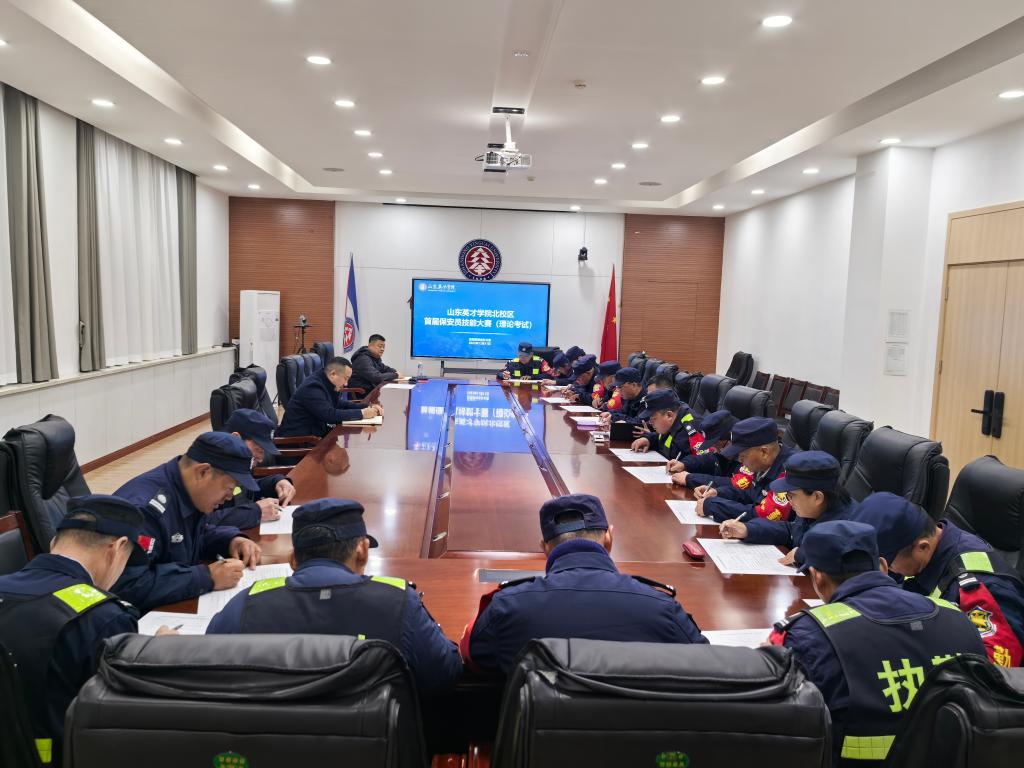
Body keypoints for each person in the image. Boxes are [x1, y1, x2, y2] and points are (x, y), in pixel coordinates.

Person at [768, 520, 985, 766]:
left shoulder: (807, 636)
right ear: (882, 566)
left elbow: (778, 729)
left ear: (817, 577)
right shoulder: (958, 617)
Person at [206, 498, 462, 695]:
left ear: (293, 560)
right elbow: (445, 673)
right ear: (362, 552)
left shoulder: (245, 605)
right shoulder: (399, 603)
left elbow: (207, 670)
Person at [0, 495, 176, 765]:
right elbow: (123, 718)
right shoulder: (104, 617)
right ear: (117, 548)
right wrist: (152, 654)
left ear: (53, 543)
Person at [460, 494, 707, 673]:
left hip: (544, 731)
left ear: (544, 548)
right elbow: (708, 665)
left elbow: (472, 658)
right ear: (609, 537)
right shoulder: (661, 608)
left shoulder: (507, 607)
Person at [852, 492, 1024, 668]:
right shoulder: (925, 549)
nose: (888, 570)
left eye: (888, 563)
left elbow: (998, 666)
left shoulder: (976, 587)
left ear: (922, 547)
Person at [112, 432, 263, 611]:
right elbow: (127, 586)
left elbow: (193, 535)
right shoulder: (145, 512)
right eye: (230, 488)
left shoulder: (187, 490)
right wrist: (206, 577)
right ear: (203, 472)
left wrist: (231, 540)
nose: (230, 496)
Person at [719, 451, 852, 567]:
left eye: (791, 495)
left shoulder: (848, 529)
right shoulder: (814, 510)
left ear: (817, 497)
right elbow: (792, 531)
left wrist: (803, 555)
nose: (788, 500)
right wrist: (748, 529)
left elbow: (837, 557)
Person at [208, 408, 296, 531]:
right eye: (258, 449)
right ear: (236, 439)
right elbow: (203, 523)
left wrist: (277, 481)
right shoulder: (208, 470)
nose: (261, 459)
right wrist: (254, 512)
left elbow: (243, 491)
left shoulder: (235, 461)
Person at [694, 416, 795, 523]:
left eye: (743, 456)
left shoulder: (790, 472)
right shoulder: (764, 463)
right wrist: (718, 492)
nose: (740, 461)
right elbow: (751, 494)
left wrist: (714, 506)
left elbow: (765, 515)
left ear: (764, 452)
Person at [278, 356, 383, 438]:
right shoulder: (313, 387)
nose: (346, 384)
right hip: (300, 443)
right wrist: (362, 413)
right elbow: (329, 415)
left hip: (314, 436)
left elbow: (338, 404)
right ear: (333, 374)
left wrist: (366, 407)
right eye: (345, 378)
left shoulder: (326, 381)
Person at [668, 410, 738, 486]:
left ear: (731, 438)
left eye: (717, 445)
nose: (716, 450)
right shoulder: (722, 452)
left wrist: (690, 478)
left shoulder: (744, 456)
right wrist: (684, 464)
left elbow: (733, 483)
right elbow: (709, 459)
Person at [629, 389, 701, 461]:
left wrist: (684, 464)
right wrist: (649, 440)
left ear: (669, 415)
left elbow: (699, 460)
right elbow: (666, 439)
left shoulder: (690, 429)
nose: (650, 422)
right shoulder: (672, 421)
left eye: (653, 418)